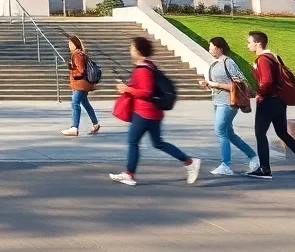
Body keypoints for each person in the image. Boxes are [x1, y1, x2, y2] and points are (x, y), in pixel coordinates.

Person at [109, 36, 201, 187]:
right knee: (158, 143)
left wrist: (127, 89)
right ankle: (189, 162)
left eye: (132, 48)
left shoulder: (142, 69)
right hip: (153, 112)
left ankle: (129, 174)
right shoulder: (149, 66)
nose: (130, 51)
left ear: (138, 51)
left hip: (144, 112)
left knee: (133, 141)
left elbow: (146, 92)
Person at [246, 30, 295, 180]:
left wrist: (260, 94)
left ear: (258, 43)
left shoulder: (263, 59)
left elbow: (267, 81)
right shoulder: (273, 57)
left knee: (260, 133)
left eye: (249, 42)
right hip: (279, 101)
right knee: (282, 132)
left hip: (268, 101)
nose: (248, 46)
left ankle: (265, 169)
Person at [198, 36, 257, 176]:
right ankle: (254, 157)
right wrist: (208, 85)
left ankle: (225, 165)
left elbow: (241, 83)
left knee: (220, 131)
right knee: (229, 133)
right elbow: (216, 84)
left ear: (219, 48)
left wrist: (216, 84)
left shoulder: (228, 62)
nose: (209, 48)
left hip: (228, 103)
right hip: (217, 102)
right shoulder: (214, 64)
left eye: (211, 46)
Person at [61, 35, 100, 137]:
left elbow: (81, 71)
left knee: (75, 104)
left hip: (80, 84)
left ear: (76, 44)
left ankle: (74, 127)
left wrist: (72, 70)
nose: (69, 45)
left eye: (71, 43)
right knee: (85, 104)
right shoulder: (80, 54)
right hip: (83, 84)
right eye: (68, 43)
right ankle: (95, 124)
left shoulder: (77, 55)